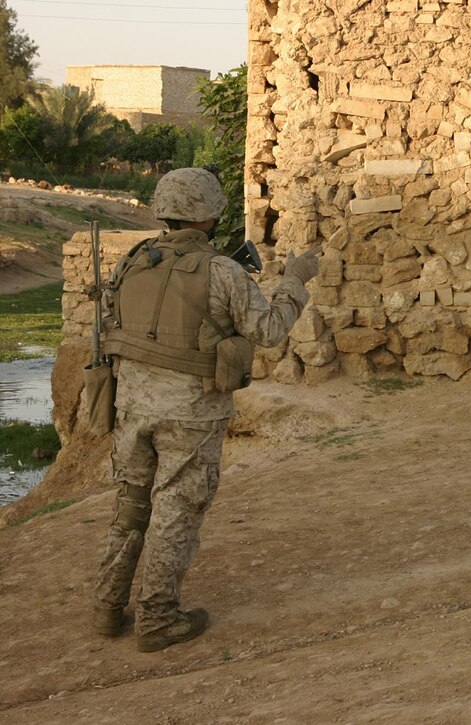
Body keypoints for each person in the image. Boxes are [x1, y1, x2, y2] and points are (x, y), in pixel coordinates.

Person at [92, 168, 320, 652]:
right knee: (176, 508)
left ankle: (108, 607)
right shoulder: (223, 271)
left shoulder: (132, 261)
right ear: (212, 215)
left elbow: (111, 320)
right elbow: (271, 331)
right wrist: (296, 279)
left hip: (132, 404)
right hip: (190, 412)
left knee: (131, 505)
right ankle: (157, 619)